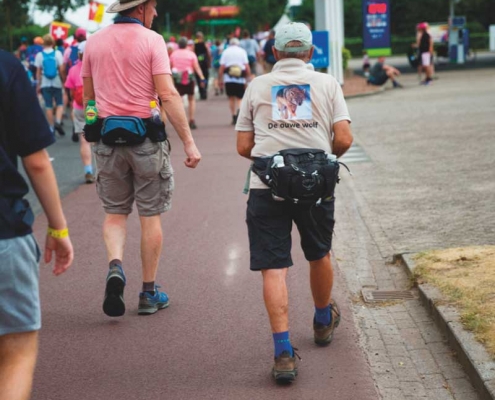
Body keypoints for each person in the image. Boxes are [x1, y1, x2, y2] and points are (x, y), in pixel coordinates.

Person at [235, 22, 353, 383]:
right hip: (315, 185)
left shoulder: (256, 86)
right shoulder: (328, 83)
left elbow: (243, 146)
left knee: (274, 267)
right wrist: (317, 156)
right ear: (311, 53)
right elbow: (345, 138)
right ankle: (321, 320)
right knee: (319, 254)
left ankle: (283, 352)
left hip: (266, 186)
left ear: (274, 52)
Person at [82, 0, 201, 317]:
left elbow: (88, 100)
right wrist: (189, 142)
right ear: (140, 9)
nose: (157, 13)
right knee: (150, 216)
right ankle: (148, 293)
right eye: (154, 7)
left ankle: (116, 266)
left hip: (107, 141)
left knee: (115, 214)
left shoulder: (93, 43)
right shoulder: (153, 41)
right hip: (146, 140)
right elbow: (168, 94)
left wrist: (95, 128)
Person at [0, 49, 74, 400]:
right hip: (3, 230)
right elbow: (38, 162)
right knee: (15, 354)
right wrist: (58, 230)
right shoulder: (6, 66)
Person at [64, 41, 95, 183]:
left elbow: (70, 92)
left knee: (84, 141)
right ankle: (102, 170)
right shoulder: (96, 67)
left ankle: (88, 170)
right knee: (98, 140)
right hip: (94, 106)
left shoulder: (73, 70)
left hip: (79, 107)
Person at [170, 37, 207, 129]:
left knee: (179, 100)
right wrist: (202, 78)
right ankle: (191, 119)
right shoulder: (191, 54)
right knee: (191, 99)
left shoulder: (173, 54)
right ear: (187, 44)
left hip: (177, 79)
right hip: (189, 78)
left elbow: (169, 67)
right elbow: (197, 67)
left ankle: (182, 121)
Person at [35, 34, 66, 136]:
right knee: (59, 104)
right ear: (53, 43)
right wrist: (63, 80)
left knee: (48, 105)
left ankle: (51, 128)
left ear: (43, 43)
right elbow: (61, 69)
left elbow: (38, 71)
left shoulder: (40, 55)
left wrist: (38, 84)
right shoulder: (57, 53)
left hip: (45, 82)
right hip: (56, 81)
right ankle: (57, 121)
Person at [218, 37, 250, 125]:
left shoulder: (225, 52)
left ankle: (233, 115)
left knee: (231, 98)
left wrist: (220, 79)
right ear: (238, 43)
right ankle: (239, 112)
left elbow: (222, 67)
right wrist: (248, 78)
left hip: (229, 78)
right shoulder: (242, 51)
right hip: (240, 78)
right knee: (240, 98)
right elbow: (246, 66)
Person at [194, 31, 211, 100]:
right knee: (205, 77)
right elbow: (208, 53)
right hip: (204, 64)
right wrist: (209, 62)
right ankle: (204, 89)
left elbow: (193, 54)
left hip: (198, 64)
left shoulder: (194, 45)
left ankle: (201, 92)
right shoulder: (205, 44)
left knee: (198, 78)